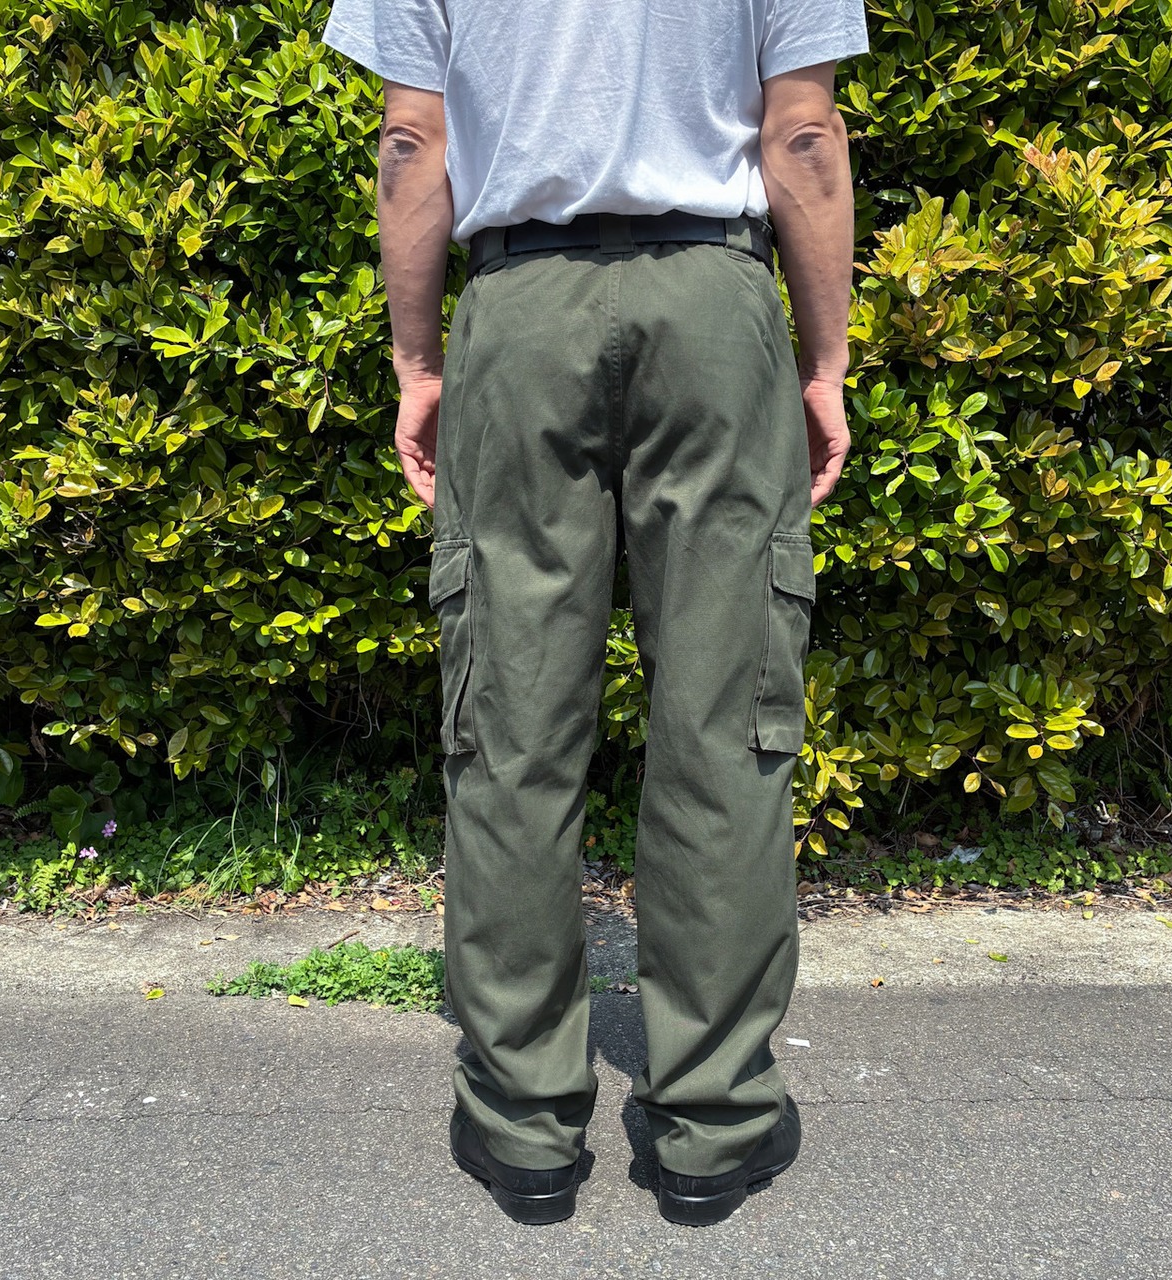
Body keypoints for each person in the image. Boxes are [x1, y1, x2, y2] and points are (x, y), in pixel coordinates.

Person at [320, 0, 869, 1228]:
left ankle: (524, 1123)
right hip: (713, 305)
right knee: (723, 723)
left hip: (521, 308)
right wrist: (823, 362)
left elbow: (413, 142)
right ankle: (712, 1123)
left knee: (511, 724)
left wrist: (416, 362)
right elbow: (802, 135)